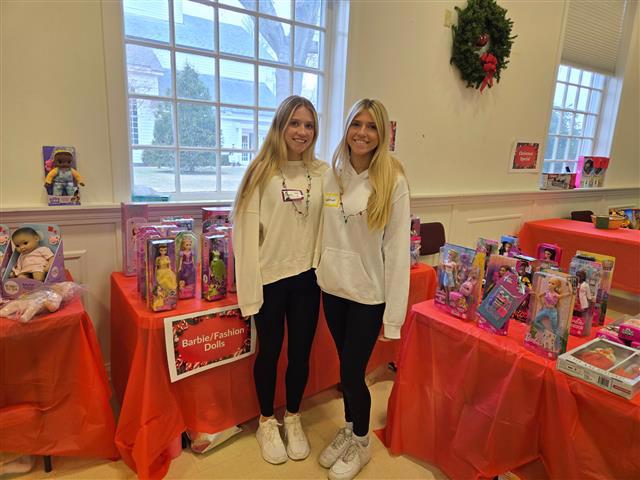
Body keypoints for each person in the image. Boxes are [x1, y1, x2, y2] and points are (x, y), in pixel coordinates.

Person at [315, 99, 410, 480]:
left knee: (353, 374)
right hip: (333, 290)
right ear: (347, 128)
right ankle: (350, 427)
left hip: (368, 297)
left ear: (382, 134)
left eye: (372, 126)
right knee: (345, 370)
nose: (363, 133)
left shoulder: (392, 182)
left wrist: (393, 319)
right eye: (357, 124)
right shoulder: (331, 176)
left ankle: (362, 441)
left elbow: (397, 252)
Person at [232, 95, 327, 465]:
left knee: (301, 353)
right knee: (269, 352)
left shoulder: (322, 173)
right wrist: (248, 293)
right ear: (280, 126)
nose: (302, 131)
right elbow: (244, 237)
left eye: (309, 125)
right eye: (295, 123)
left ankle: (294, 416)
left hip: (308, 279)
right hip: (270, 279)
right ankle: (266, 421)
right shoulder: (260, 173)